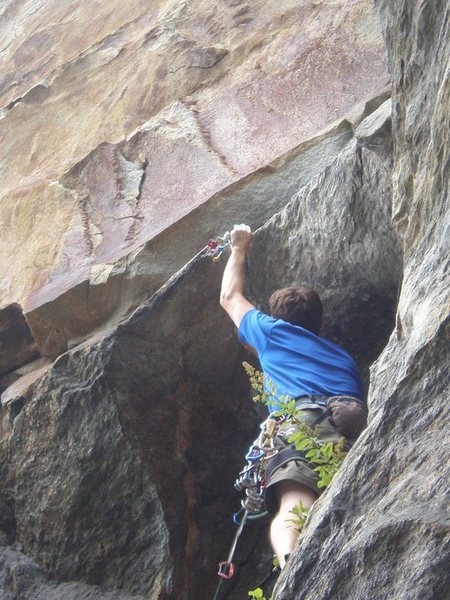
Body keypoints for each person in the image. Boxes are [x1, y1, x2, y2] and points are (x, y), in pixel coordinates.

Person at [219, 224, 364, 569]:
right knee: (332, 500)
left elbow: (229, 298)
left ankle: (293, 571)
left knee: (294, 505)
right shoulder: (343, 358)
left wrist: (238, 248)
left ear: (277, 316)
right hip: (342, 428)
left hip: (298, 421)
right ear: (317, 323)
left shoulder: (271, 332)